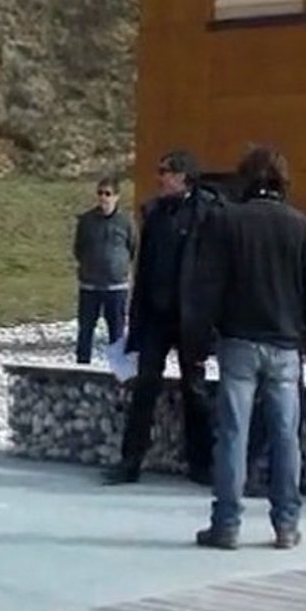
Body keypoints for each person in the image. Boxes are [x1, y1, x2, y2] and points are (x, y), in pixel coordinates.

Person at [194, 144, 306, 551]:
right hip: (285, 345)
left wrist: (197, 339)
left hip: (238, 341)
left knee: (234, 434)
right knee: (286, 435)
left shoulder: (226, 221)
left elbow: (208, 287)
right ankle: (286, 524)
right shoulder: (298, 224)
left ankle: (227, 524)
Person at [102, 150, 223, 487]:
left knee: (194, 389)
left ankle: (201, 464)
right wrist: (135, 319)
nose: (159, 177)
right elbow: (144, 269)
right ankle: (130, 462)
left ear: (183, 176)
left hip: (191, 317)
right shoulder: (155, 214)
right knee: (145, 387)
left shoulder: (209, 212)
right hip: (156, 315)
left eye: (165, 172)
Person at [72, 176, 137, 365]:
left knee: (116, 330)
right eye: (100, 193)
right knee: (85, 329)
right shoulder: (86, 221)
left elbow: (132, 247)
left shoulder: (126, 222)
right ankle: (82, 365)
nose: (103, 198)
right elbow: (79, 248)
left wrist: (120, 267)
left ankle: (118, 369)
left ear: (116, 196)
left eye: (107, 194)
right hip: (90, 285)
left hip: (116, 286)